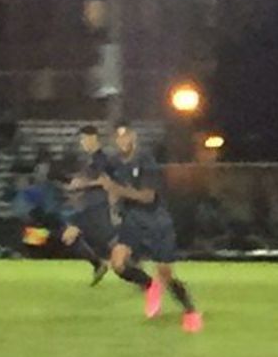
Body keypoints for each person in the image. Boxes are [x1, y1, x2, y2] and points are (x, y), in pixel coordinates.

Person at [101, 123, 203, 333]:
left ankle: (190, 311)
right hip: (132, 222)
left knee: (166, 273)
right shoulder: (114, 163)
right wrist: (114, 209)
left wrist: (117, 190)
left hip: (156, 222)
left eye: (126, 136)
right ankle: (150, 285)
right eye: (118, 137)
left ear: (133, 137)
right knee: (118, 264)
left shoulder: (146, 161)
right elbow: (110, 187)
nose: (122, 141)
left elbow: (148, 197)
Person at [61, 126, 114, 285]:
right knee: (72, 237)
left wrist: (82, 184)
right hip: (91, 206)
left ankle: (99, 264)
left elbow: (105, 181)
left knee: (70, 236)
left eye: (83, 139)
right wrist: (77, 184)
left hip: (97, 207)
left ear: (92, 138)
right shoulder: (92, 159)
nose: (82, 142)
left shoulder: (101, 158)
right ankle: (100, 264)